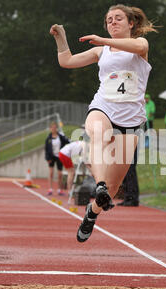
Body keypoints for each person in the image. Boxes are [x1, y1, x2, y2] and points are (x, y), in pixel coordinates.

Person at [50, 4, 157, 242]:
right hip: (103, 107)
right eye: (109, 20)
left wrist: (103, 40)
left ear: (131, 23)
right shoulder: (102, 51)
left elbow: (138, 45)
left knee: (114, 185)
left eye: (118, 18)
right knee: (98, 132)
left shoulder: (140, 46)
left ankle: (92, 213)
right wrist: (61, 39)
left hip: (130, 121)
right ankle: (98, 185)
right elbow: (66, 61)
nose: (113, 22)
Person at [45, 122, 70, 196]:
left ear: (56, 128)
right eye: (52, 128)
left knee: (60, 174)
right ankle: (50, 189)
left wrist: (64, 136)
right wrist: (48, 158)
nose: (54, 129)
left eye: (55, 127)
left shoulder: (60, 136)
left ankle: (60, 190)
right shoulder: (48, 138)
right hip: (51, 157)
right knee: (51, 173)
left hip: (59, 156)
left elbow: (67, 141)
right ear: (50, 129)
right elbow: (46, 149)